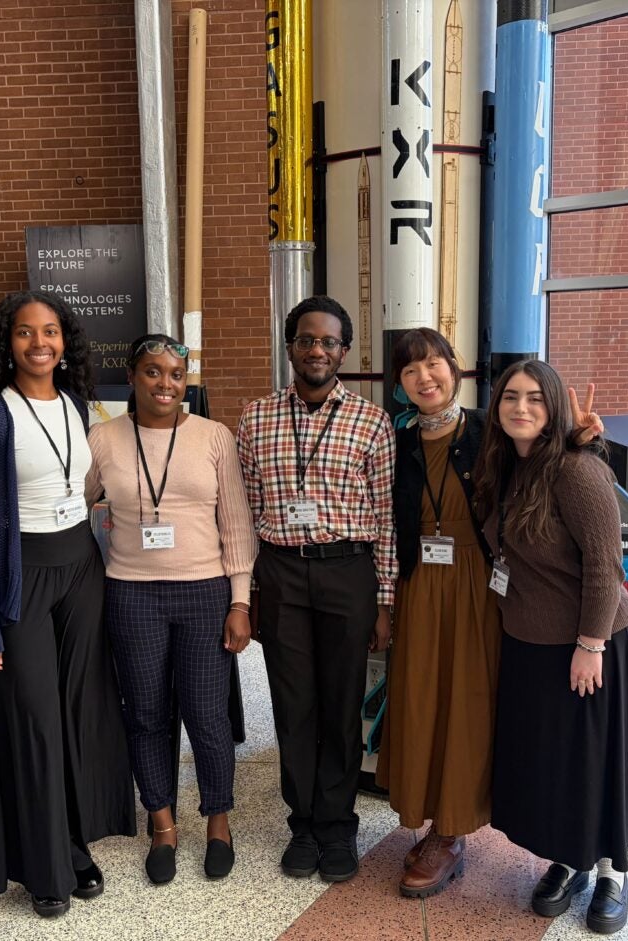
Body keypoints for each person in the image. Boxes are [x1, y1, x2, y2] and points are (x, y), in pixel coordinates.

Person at [0, 290, 135, 918]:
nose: (39, 343)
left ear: (65, 342)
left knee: (79, 713)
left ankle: (74, 844)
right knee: (33, 720)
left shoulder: (76, 406)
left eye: (50, 332)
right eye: (26, 333)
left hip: (81, 570)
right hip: (20, 578)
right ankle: (43, 866)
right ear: (8, 342)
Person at [474, 359, 628, 936]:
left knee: (594, 759)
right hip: (531, 642)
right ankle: (571, 856)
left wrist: (591, 644)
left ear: (554, 408)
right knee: (557, 762)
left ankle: (611, 872)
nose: (520, 408)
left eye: (535, 399)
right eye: (510, 398)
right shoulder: (509, 466)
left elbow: (607, 565)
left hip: (588, 641)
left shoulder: (576, 470)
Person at [85, 334, 256, 885]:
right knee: (147, 714)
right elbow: (73, 501)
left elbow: (235, 524)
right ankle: (162, 824)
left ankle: (218, 820)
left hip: (205, 592)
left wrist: (240, 600)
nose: (166, 384)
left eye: (177, 374)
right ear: (132, 377)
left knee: (207, 714)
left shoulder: (213, 437)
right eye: (153, 372)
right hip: (131, 592)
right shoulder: (103, 439)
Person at [236, 295, 395, 884]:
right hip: (280, 571)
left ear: (344, 352)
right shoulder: (256, 418)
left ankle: (338, 825)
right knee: (293, 705)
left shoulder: (372, 422)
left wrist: (385, 600)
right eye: (307, 339)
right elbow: (245, 512)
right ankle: (302, 824)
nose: (317, 350)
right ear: (291, 347)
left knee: (340, 702)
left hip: (346, 571)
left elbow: (384, 518)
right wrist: (246, 592)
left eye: (329, 342)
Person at [375, 327, 500, 898]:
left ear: (456, 366)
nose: (425, 377)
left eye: (434, 363)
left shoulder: (490, 433)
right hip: (419, 585)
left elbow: (548, 472)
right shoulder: (396, 444)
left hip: (477, 584)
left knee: (467, 701)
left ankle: (451, 832)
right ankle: (430, 816)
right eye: (410, 370)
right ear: (399, 385)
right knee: (422, 697)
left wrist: (587, 443)